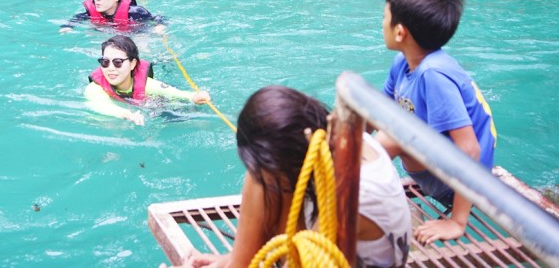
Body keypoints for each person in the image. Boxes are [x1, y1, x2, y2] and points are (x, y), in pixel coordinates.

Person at [171, 86, 410, 268]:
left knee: (260, 175)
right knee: (259, 173)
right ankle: (237, 259)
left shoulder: (347, 198)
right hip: (327, 242)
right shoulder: (335, 142)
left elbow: (316, 256)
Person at [376, 0, 497, 244]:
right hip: (441, 168)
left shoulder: (434, 75)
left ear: (400, 32)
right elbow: (376, 113)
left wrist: (457, 221)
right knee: (379, 126)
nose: (381, 23)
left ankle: (351, 204)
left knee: (392, 136)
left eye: (384, 17)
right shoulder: (404, 63)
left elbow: (470, 150)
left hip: (463, 186)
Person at [85, 35, 209, 126]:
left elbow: (176, 93)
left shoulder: (147, 84)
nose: (110, 68)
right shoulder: (94, 88)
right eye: (105, 62)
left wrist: (194, 97)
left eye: (117, 62)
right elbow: (100, 105)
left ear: (133, 64)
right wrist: (126, 114)